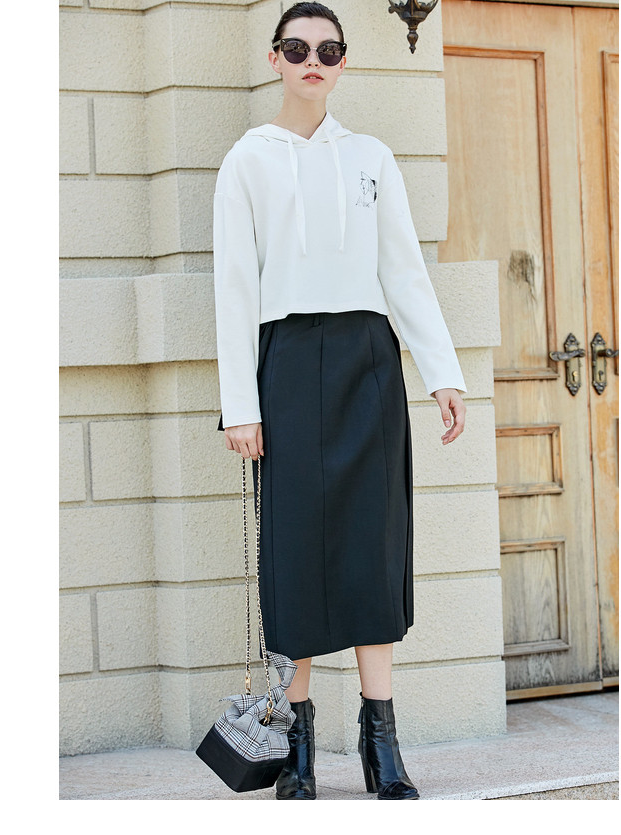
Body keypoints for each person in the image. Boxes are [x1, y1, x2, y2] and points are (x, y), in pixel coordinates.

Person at [212, 2, 466, 800]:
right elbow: (234, 287)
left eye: (328, 50)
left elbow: (404, 270)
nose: (312, 61)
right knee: (295, 555)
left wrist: (443, 372)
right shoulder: (247, 161)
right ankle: (297, 745)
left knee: (370, 548)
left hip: (366, 361)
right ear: (275, 58)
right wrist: (240, 403)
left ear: (344, 61)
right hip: (285, 365)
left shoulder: (371, 157)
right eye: (297, 48)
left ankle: (380, 740)